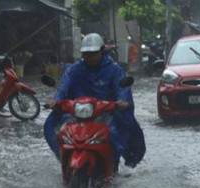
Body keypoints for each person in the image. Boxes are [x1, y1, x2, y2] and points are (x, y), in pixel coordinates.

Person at [44, 33, 146, 168]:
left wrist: (122, 101)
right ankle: (63, 157)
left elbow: (122, 88)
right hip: (78, 113)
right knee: (52, 127)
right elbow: (64, 87)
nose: (90, 57)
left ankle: (114, 162)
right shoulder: (74, 70)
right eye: (86, 54)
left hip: (106, 113)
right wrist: (55, 101)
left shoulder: (114, 70)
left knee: (118, 132)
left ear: (102, 51)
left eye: (94, 53)